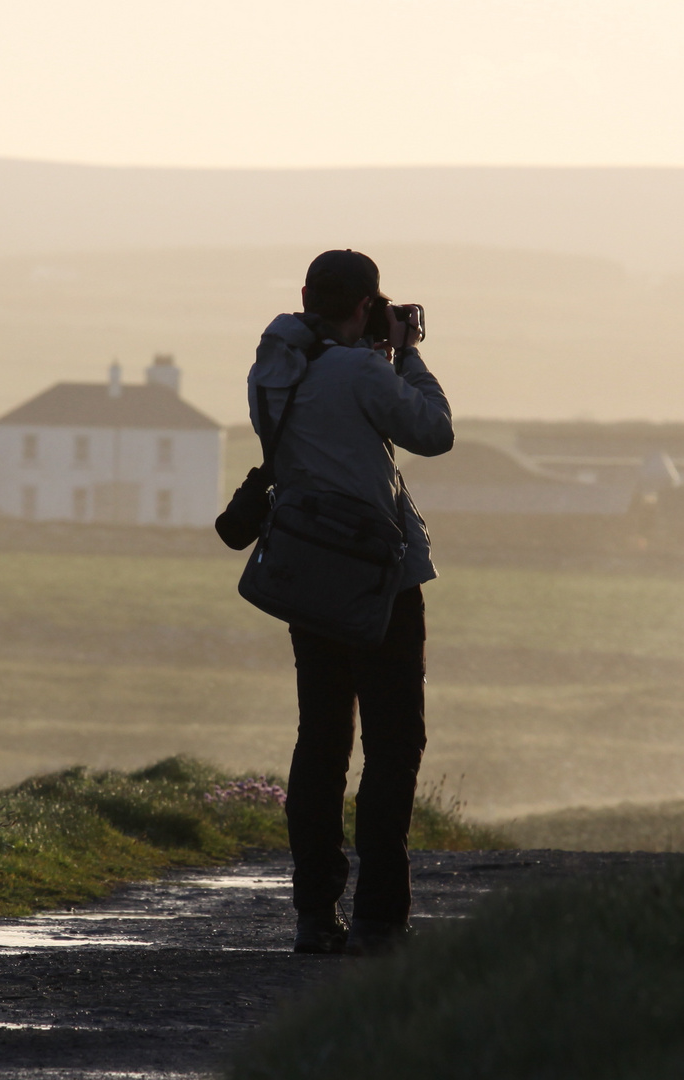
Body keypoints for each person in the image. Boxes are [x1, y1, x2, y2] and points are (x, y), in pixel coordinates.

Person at [248, 249, 454, 955]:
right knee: (393, 744)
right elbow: (433, 432)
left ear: (306, 295)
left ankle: (314, 913)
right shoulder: (363, 370)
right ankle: (378, 917)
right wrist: (405, 355)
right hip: (379, 586)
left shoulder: (273, 371)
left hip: (309, 580)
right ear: (366, 306)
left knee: (322, 743)